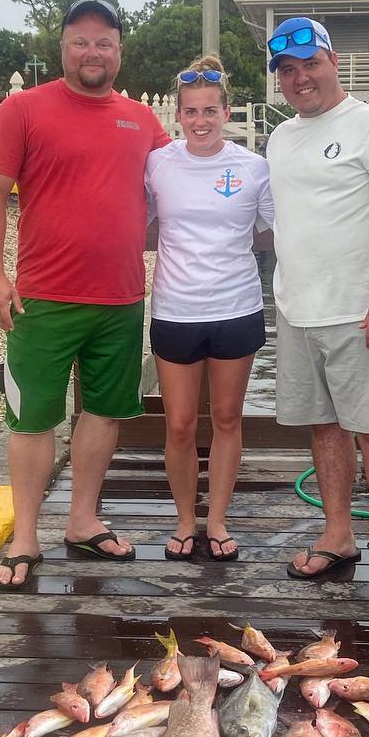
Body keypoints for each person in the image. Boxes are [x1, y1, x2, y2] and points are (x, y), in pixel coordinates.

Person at [0, 0, 169, 590]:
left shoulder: (141, 119)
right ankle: (25, 534)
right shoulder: (23, 109)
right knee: (32, 419)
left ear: (119, 51)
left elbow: (180, 189)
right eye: (80, 42)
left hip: (121, 298)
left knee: (105, 413)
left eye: (104, 42)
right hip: (42, 298)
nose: (92, 53)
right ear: (62, 48)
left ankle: (83, 519)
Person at [265, 17, 369, 610]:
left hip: (362, 315)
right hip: (296, 311)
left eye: (309, 63)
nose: (300, 77)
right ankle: (338, 535)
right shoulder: (280, 138)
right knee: (324, 429)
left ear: (333, 61)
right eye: (287, 70)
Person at [145, 55, 273, 562]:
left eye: (210, 111)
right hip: (175, 309)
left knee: (226, 418)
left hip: (236, 307)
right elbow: (132, 218)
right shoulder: (158, 162)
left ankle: (216, 519)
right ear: (178, 115)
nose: (200, 121)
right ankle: (184, 519)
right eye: (191, 111)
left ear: (227, 112)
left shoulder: (254, 168)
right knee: (178, 424)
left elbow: (282, 228)